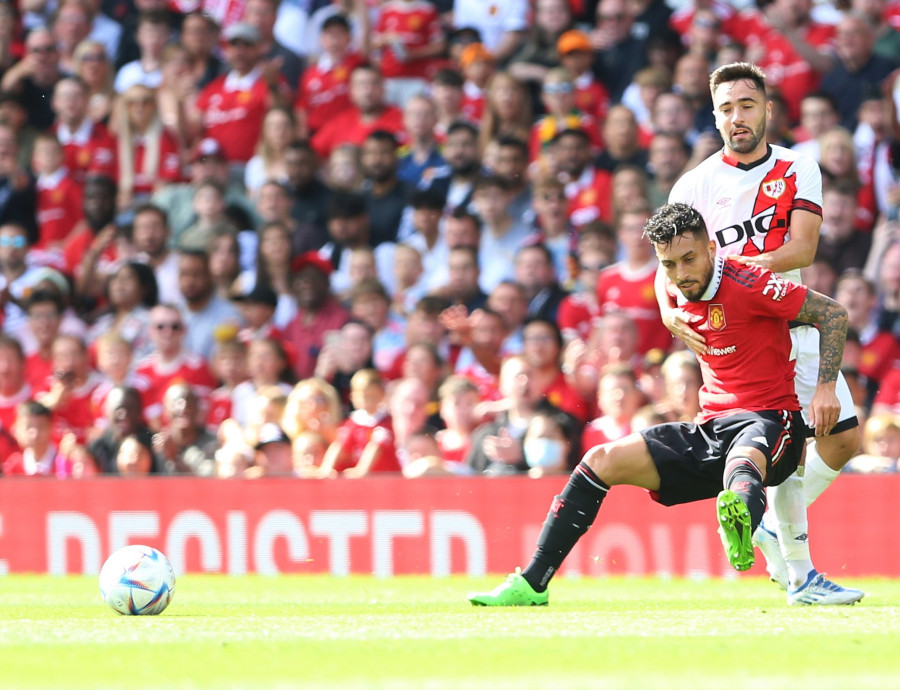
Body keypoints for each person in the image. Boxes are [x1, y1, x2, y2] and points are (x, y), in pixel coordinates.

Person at [468, 201, 850, 607]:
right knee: (602, 458)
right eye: (669, 264)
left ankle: (742, 517)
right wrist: (668, 311)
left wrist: (826, 388)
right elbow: (663, 281)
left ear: (711, 250)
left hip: (772, 419)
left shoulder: (751, 282)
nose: (681, 274)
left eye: (689, 259)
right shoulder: (672, 283)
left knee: (746, 457)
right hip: (710, 425)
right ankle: (532, 583)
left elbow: (833, 314)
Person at [664, 62, 864, 604]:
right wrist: (666, 309)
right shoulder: (695, 184)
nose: (737, 117)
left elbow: (802, 249)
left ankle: (775, 529)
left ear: (768, 110)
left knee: (843, 437)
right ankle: (802, 574)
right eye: (726, 108)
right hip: (742, 337)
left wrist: (737, 272)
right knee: (789, 448)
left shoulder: (799, 168)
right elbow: (667, 259)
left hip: (792, 316)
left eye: (747, 105)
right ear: (714, 115)